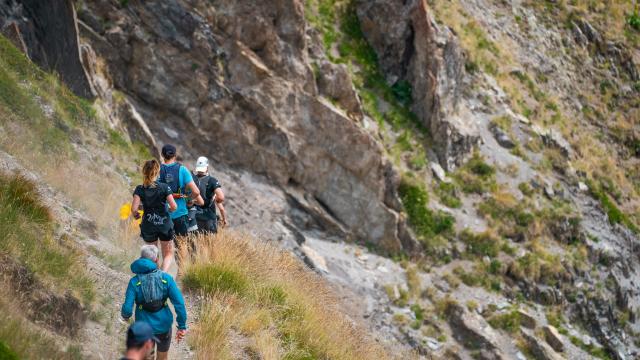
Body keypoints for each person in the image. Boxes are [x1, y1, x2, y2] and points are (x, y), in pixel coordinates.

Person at [121, 245, 188, 360]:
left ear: (141, 258)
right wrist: (181, 326)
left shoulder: (134, 282)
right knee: (162, 356)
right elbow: (179, 304)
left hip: (143, 327)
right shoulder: (166, 278)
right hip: (164, 326)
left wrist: (126, 316)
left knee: (147, 356)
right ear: (157, 259)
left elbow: (127, 308)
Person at [130, 159, 177, 272]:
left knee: (152, 254)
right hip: (164, 224)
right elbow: (174, 206)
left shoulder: (140, 189)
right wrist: (169, 210)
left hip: (149, 225)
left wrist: (136, 215)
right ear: (157, 172)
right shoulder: (165, 187)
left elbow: (134, 209)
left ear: (144, 172)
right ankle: (162, 274)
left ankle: (153, 274)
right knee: (168, 253)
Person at [158, 144, 204, 237]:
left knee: (166, 246)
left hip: (163, 214)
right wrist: (189, 200)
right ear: (175, 155)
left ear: (162, 155)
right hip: (180, 214)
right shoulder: (182, 170)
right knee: (181, 246)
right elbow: (196, 192)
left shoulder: (157, 169)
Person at [191, 156, 227, 234]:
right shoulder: (212, 181)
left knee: (195, 243)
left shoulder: (191, 179)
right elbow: (221, 197)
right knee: (209, 243)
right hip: (209, 218)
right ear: (207, 167)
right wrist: (216, 200)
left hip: (194, 217)